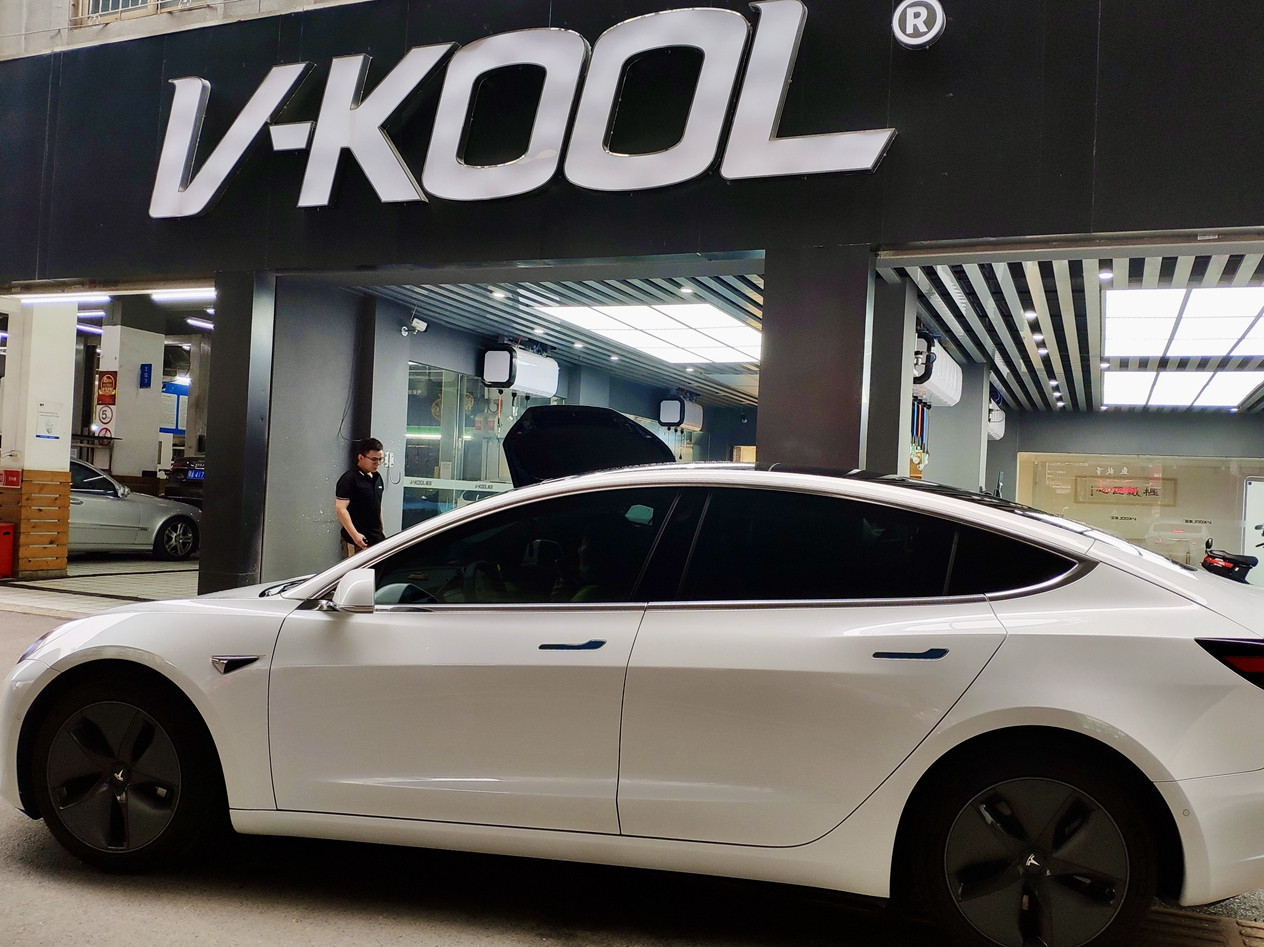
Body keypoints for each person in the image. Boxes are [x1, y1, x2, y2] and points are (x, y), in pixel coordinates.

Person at [335, 437, 386, 558]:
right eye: (374, 459)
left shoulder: (377, 478)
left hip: (376, 539)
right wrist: (355, 535)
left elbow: (377, 506)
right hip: (357, 541)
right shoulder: (349, 479)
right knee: (355, 569)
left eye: (380, 459)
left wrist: (382, 531)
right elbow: (340, 509)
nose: (378, 463)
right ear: (361, 457)